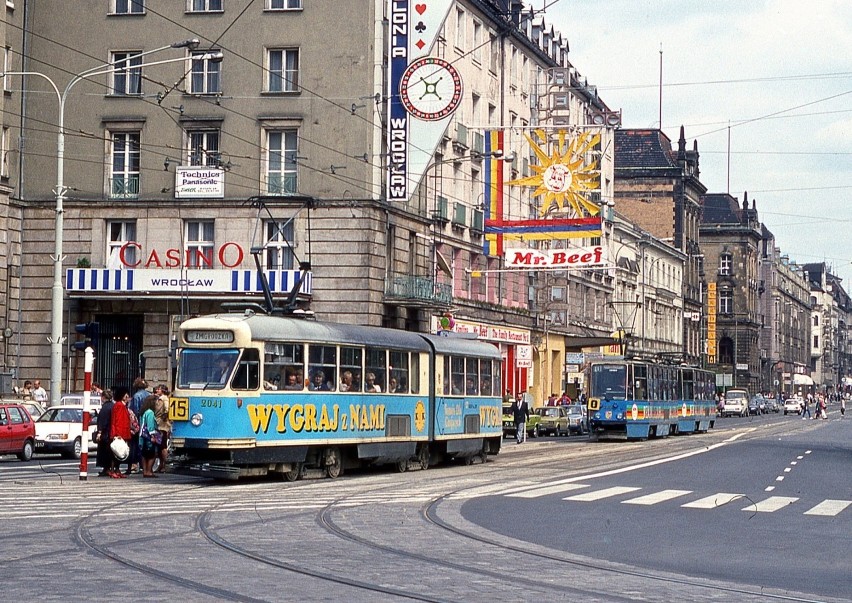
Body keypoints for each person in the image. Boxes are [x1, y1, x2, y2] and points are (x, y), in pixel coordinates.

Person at [109, 387, 132, 479]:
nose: (127, 396)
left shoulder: (121, 405)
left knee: (119, 453)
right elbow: (117, 421)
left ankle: (117, 470)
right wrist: (117, 434)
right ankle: (113, 470)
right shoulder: (119, 405)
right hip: (120, 432)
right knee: (116, 453)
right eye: (125, 394)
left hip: (123, 431)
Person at [138, 394, 161, 478]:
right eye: (156, 402)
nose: (157, 404)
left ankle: (145, 470)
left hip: (142, 436)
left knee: (144, 454)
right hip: (148, 437)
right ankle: (149, 471)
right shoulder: (150, 412)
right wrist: (153, 436)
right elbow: (150, 426)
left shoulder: (144, 411)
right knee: (152, 453)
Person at [94, 389, 114, 477]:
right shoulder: (113, 406)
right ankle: (110, 468)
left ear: (103, 397)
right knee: (110, 451)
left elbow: (102, 421)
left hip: (106, 433)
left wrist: (99, 432)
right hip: (112, 432)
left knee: (104, 451)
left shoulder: (105, 408)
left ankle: (106, 468)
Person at [154, 384, 172, 473]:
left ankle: (165, 464)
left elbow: (166, 409)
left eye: (159, 389)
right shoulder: (159, 398)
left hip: (162, 425)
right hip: (158, 424)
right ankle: (161, 465)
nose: (157, 390)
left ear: (163, 390)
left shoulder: (164, 398)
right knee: (159, 446)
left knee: (163, 445)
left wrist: (164, 416)